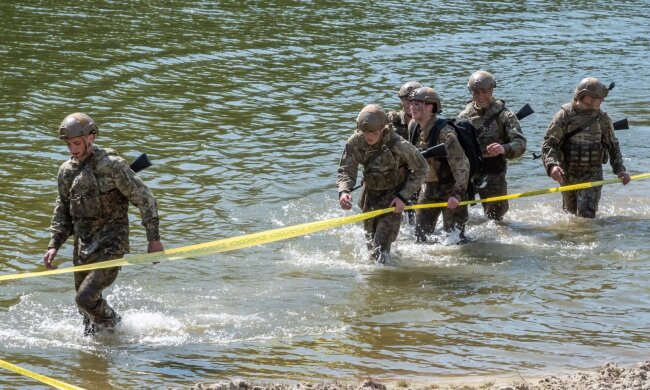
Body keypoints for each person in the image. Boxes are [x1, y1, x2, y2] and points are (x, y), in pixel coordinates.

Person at [43, 113, 164, 335]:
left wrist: (153, 240)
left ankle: (119, 328)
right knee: (86, 315)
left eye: (77, 143)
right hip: (83, 247)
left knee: (85, 299)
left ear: (92, 137)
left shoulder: (112, 166)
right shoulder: (66, 172)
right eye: (69, 145)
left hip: (111, 244)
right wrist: (54, 245)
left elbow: (145, 199)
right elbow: (62, 212)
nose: (72, 150)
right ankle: (94, 361)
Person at [337, 104, 428, 263]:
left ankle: (384, 281)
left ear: (383, 127)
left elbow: (422, 169)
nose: (369, 136)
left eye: (373, 132)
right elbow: (346, 169)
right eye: (365, 132)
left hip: (393, 199)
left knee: (380, 249)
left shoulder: (398, 144)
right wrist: (344, 191)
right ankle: (378, 278)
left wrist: (403, 197)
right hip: (370, 198)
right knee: (371, 245)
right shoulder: (355, 142)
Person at [541, 77, 631, 218]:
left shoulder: (603, 119)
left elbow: (613, 146)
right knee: (569, 215)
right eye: (600, 98)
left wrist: (620, 170)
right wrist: (552, 166)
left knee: (586, 217)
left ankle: (588, 238)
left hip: (592, 174)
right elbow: (549, 144)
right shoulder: (564, 116)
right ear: (588, 98)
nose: (602, 101)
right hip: (567, 174)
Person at [458, 70, 527, 220]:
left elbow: (520, 143)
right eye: (476, 92)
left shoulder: (505, 115)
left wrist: (504, 148)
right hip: (471, 171)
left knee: (496, 218)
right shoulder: (464, 116)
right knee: (458, 212)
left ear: (492, 90)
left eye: (485, 92)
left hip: (495, 171)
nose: (481, 96)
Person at [409, 87, 470, 242]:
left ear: (431, 107)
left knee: (455, 240)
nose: (412, 107)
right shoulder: (414, 127)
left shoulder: (446, 133)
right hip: (429, 190)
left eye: (418, 104)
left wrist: (457, 195)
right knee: (420, 238)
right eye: (412, 103)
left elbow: (462, 164)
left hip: (451, 190)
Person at [387, 80, 423, 225]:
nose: (410, 104)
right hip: (396, 175)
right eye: (406, 100)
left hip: (419, 174)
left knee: (417, 217)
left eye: (414, 100)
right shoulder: (391, 120)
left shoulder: (429, 122)